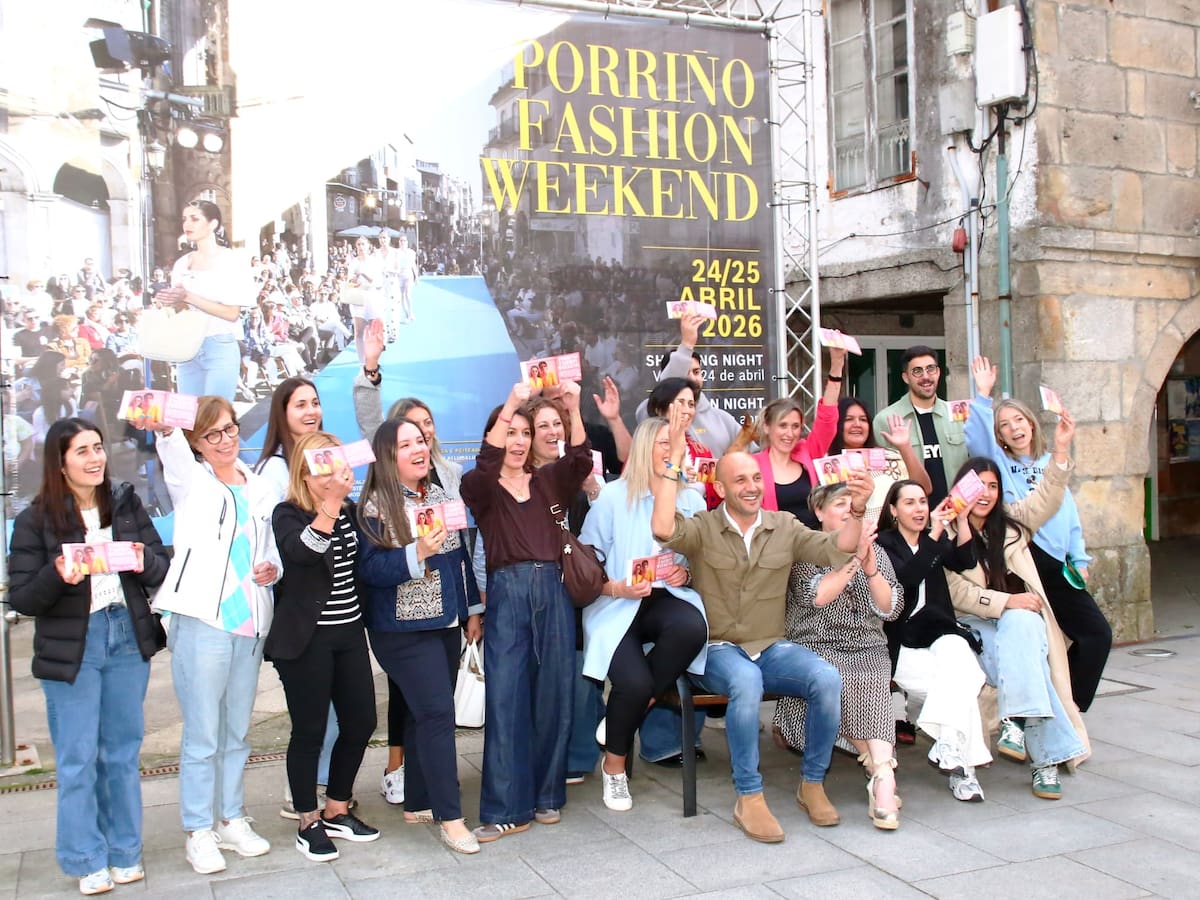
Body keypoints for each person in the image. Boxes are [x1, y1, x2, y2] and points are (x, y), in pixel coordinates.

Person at [650, 403, 873, 842]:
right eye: (740, 480)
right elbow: (661, 528)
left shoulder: (784, 526)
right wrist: (673, 463)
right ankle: (748, 796)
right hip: (717, 649)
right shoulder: (703, 527)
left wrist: (860, 511)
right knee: (746, 680)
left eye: (756, 478)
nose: (752, 487)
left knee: (827, 678)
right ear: (721, 486)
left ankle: (812, 784)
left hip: (770, 645)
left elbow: (837, 549)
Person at [8, 418, 170, 896]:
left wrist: (143, 559)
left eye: (98, 448)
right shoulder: (35, 519)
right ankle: (85, 856)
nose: (95, 458)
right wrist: (60, 572)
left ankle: (124, 850)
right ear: (60, 462)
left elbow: (161, 563)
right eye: (82, 451)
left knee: (121, 752)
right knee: (78, 758)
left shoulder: (124, 502)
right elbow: (23, 598)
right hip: (71, 648)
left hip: (125, 636)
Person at [144, 396, 282, 874]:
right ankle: (198, 828)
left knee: (236, 731)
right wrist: (165, 429)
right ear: (197, 442)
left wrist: (272, 569)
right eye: (213, 434)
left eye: (230, 429)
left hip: (250, 622)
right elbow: (170, 445)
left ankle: (231, 818)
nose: (225, 440)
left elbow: (270, 550)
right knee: (203, 733)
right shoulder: (191, 480)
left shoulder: (261, 487)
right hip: (203, 621)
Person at [460, 380, 593, 842]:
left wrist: (573, 408)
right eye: (510, 432)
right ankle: (503, 809)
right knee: (506, 701)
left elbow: (580, 461)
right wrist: (513, 403)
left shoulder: (548, 480)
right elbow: (484, 466)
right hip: (508, 592)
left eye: (524, 432)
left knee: (554, 695)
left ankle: (547, 796)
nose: (518, 441)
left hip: (553, 590)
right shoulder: (480, 489)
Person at [945, 412, 1091, 801]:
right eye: (978, 486)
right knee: (1030, 660)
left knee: (1025, 627)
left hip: (1020, 621)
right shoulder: (942, 532)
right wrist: (1008, 601)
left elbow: (1047, 496)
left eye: (993, 486)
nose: (987, 493)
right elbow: (956, 593)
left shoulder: (1011, 523)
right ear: (962, 489)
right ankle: (1044, 759)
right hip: (976, 625)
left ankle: (1015, 722)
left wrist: (1059, 450)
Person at [357, 418, 484, 854]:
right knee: (436, 714)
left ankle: (418, 801)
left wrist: (471, 609)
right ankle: (452, 818)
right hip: (402, 630)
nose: (418, 448)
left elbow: (461, 560)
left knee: (419, 713)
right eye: (406, 443)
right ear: (388, 457)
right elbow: (370, 571)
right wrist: (418, 552)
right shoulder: (374, 506)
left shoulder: (442, 495)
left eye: (421, 440)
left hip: (447, 622)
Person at [967, 356, 1111, 715]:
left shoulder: (1052, 461)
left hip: (1059, 566)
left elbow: (1069, 514)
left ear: (1031, 424)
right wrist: (983, 397)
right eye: (1005, 425)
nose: (1014, 428)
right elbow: (976, 440)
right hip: (1025, 563)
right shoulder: (999, 466)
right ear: (999, 435)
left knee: (1095, 636)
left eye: (1019, 420)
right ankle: (1058, 713)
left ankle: (1068, 707)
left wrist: (1079, 558)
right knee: (1043, 643)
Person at [579, 417, 709, 812]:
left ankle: (632, 710)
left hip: (664, 597)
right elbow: (586, 569)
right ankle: (614, 767)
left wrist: (685, 572)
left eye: (677, 444)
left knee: (692, 626)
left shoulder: (691, 500)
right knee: (632, 684)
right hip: (615, 602)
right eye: (663, 444)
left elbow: (701, 560)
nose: (671, 452)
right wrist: (616, 587)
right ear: (644, 450)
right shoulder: (612, 498)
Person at [270, 432, 380, 862]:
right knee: (310, 731)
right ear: (304, 471)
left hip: (349, 632)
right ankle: (307, 820)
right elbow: (302, 554)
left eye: (336, 464)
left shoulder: (351, 511)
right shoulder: (288, 513)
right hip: (306, 639)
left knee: (362, 722)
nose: (333, 474)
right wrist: (331, 505)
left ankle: (337, 806)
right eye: (322, 465)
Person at [772, 483, 903, 829]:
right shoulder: (806, 551)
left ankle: (879, 774)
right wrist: (852, 560)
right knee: (838, 677)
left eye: (853, 504)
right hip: (816, 644)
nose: (848, 510)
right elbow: (817, 597)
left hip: (867, 644)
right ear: (819, 512)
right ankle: (883, 779)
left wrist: (871, 567)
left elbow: (889, 608)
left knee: (872, 672)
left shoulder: (877, 551)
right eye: (840, 504)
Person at [876, 481, 992, 802]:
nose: (919, 509)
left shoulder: (934, 541)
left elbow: (966, 560)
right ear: (893, 510)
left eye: (923, 502)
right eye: (910, 503)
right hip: (900, 642)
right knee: (964, 689)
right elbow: (907, 578)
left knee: (959, 652)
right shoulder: (883, 545)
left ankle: (950, 750)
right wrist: (935, 533)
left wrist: (963, 519)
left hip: (937, 632)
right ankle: (963, 772)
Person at [155, 200, 255, 401]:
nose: (187, 224)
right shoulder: (182, 263)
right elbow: (182, 309)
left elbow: (231, 313)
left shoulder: (232, 261)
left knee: (214, 419)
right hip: (188, 348)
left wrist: (188, 296)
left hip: (219, 344)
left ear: (213, 224)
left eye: (194, 219)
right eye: (184, 219)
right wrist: (170, 302)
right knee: (191, 421)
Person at [742, 346, 845, 523]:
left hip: (812, 542)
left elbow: (827, 419)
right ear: (766, 427)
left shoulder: (808, 452)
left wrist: (837, 365)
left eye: (796, 426)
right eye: (783, 425)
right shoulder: (752, 464)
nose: (790, 433)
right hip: (773, 546)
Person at [635, 311, 741, 455]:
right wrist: (687, 345)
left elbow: (753, 453)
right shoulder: (651, 413)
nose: (692, 379)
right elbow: (669, 386)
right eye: (685, 372)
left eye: (696, 372)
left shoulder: (723, 419)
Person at [873, 345, 966, 505]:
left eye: (930, 369)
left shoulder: (957, 415)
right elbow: (883, 481)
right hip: (910, 519)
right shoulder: (886, 420)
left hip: (956, 517)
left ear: (938, 372)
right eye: (917, 371)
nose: (925, 377)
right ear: (906, 377)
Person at [827, 396, 932, 523]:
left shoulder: (890, 457)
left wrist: (905, 446)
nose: (857, 424)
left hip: (892, 538)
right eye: (849, 419)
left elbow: (924, 488)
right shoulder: (827, 464)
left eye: (863, 419)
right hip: (849, 538)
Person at [347, 236, 386, 364]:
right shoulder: (353, 262)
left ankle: (373, 358)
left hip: (372, 297)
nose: (360, 247)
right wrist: (353, 280)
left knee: (373, 330)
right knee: (358, 332)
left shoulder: (374, 261)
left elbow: (375, 280)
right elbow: (349, 281)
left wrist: (362, 274)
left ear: (368, 246)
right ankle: (361, 362)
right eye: (358, 244)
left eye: (363, 244)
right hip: (358, 297)